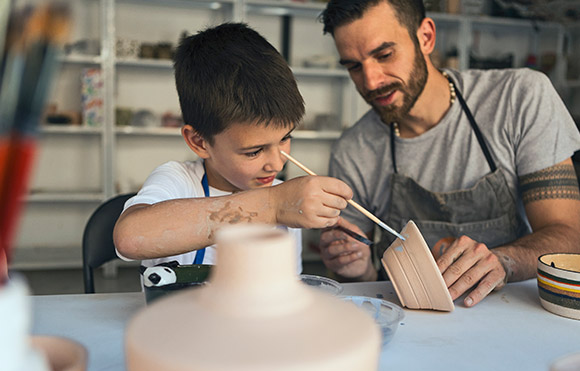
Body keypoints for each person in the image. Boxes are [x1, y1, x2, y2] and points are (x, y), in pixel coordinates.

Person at [318, 0, 580, 307]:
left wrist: (503, 261)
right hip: (413, 325)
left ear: (426, 37)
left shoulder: (519, 98)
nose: (371, 81)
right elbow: (359, 284)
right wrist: (357, 269)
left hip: (514, 315)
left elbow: (569, 237)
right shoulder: (353, 151)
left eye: (385, 55)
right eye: (353, 66)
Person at [113, 23, 352, 273]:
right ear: (199, 142)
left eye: (285, 138)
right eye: (254, 151)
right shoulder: (179, 181)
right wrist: (274, 206)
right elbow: (130, 238)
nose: (278, 164)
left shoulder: (288, 199)